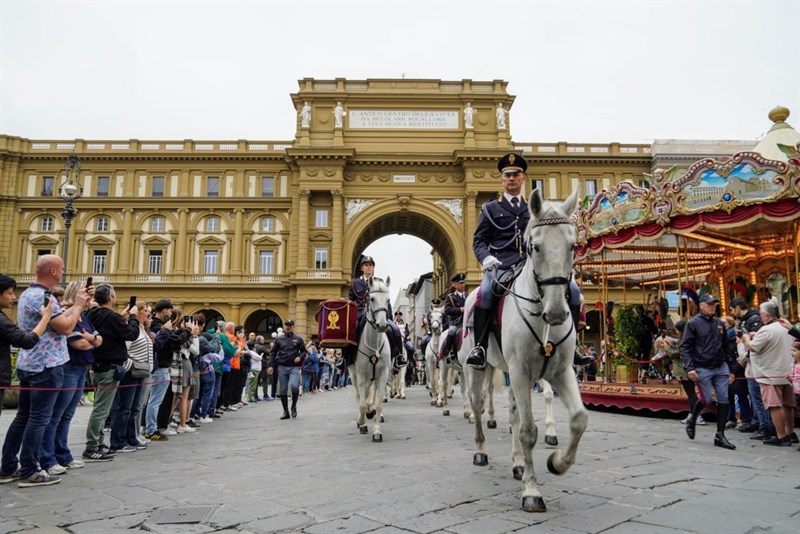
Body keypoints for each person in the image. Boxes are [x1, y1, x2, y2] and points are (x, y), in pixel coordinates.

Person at [1, 256, 89, 487]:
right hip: (46, 365)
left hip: (30, 363)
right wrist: (79, 305)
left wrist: (74, 307)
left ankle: (8, 467)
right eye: (61, 269)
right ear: (53, 271)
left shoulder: (30, 294)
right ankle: (30, 469)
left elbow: (59, 320)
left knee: (23, 417)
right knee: (39, 418)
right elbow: (66, 327)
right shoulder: (43, 296)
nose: (62, 273)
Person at [38, 280, 102, 473]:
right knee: (56, 415)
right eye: (86, 294)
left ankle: (62, 454)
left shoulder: (82, 316)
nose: (89, 298)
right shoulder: (67, 313)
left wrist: (91, 339)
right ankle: (48, 458)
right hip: (69, 367)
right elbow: (78, 343)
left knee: (66, 415)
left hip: (80, 368)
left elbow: (99, 339)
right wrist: (93, 340)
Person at [84, 283, 140, 458]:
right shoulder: (111, 317)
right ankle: (92, 446)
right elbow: (131, 334)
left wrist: (121, 318)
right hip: (109, 367)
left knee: (102, 408)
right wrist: (133, 318)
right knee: (101, 410)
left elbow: (110, 329)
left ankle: (99, 443)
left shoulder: (90, 314)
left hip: (96, 366)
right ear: (111, 298)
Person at [680, 294, 736, 450]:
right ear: (701, 305)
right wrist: (690, 367)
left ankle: (720, 434)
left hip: (720, 365)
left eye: (714, 305)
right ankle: (693, 418)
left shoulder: (719, 324)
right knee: (706, 400)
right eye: (709, 304)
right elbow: (685, 347)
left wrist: (731, 369)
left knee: (724, 398)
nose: (712, 307)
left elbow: (726, 348)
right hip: (702, 366)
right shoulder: (692, 324)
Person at [0, 274, 53, 429]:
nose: (14, 297)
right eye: (9, 293)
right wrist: (46, 317)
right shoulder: (2, 321)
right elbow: (27, 341)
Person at [741, 301, 796, 446]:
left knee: (774, 405)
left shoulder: (767, 330)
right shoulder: (786, 326)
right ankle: (790, 432)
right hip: (787, 372)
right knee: (788, 404)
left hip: (770, 373)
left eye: (760, 314)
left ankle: (781, 435)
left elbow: (753, 347)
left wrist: (746, 338)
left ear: (765, 315)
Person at [344, 255, 405, 368]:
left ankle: (398, 356)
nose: (368, 267)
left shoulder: (380, 282)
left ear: (373, 268)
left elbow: (387, 302)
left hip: (379, 313)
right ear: (362, 268)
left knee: (395, 329)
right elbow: (351, 301)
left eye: (370, 265)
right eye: (366, 265)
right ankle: (345, 358)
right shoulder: (355, 283)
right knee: (350, 331)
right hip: (361, 313)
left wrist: (389, 318)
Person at [267, 319, 307, 419]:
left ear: (293, 326)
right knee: (283, 390)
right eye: (286, 325)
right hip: (282, 367)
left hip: (294, 367)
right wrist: (270, 365)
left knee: (294, 386)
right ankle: (286, 411)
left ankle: (293, 406)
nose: (288, 327)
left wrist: (300, 357)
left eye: (290, 325)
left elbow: (304, 352)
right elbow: (273, 353)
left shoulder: (298, 339)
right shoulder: (279, 339)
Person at [440, 273, 466, 362]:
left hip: (467, 321)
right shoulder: (451, 297)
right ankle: (448, 352)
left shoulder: (468, 295)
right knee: (451, 331)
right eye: (460, 283)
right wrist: (460, 310)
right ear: (455, 285)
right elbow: (447, 310)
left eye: (463, 283)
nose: (463, 285)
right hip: (456, 322)